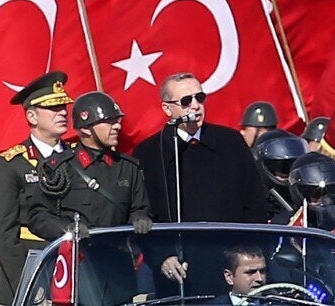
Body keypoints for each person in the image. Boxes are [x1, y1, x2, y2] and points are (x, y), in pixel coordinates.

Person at [133, 72, 266, 289]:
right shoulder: (150, 152)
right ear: (167, 109)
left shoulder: (230, 142)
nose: (195, 106)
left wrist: (248, 254)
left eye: (200, 98)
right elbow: (142, 213)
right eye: (186, 101)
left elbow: (255, 203)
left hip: (230, 267)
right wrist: (162, 257)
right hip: (180, 272)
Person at [0, 71, 74, 305]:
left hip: (76, 271)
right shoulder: (9, 164)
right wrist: (29, 283)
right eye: (53, 108)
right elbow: (4, 234)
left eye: (64, 106)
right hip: (31, 270)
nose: (63, 112)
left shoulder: (77, 158)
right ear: (32, 116)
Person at [28, 91, 152, 240]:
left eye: (117, 120)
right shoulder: (60, 168)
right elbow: (39, 217)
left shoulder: (127, 167)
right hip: (77, 257)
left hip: (118, 256)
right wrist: (66, 229)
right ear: (86, 128)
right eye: (109, 121)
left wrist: (140, 218)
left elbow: (140, 208)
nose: (117, 126)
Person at [253, 130, 308, 221]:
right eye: (279, 165)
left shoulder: (304, 194)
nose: (287, 171)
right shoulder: (254, 199)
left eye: (293, 164)